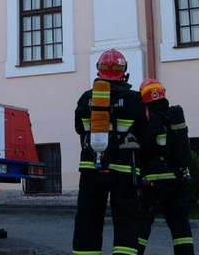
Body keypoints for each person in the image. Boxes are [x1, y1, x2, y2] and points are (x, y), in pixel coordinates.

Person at [72, 49, 148, 255]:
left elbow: (79, 128)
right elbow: (144, 134)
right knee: (126, 219)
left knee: (88, 218)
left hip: (90, 167)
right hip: (123, 169)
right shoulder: (135, 99)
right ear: (124, 71)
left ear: (99, 70)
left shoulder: (86, 98)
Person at [136, 78, 195, 255]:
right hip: (178, 181)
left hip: (153, 185)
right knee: (181, 228)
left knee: (141, 225)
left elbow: (143, 151)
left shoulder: (148, 120)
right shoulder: (174, 117)